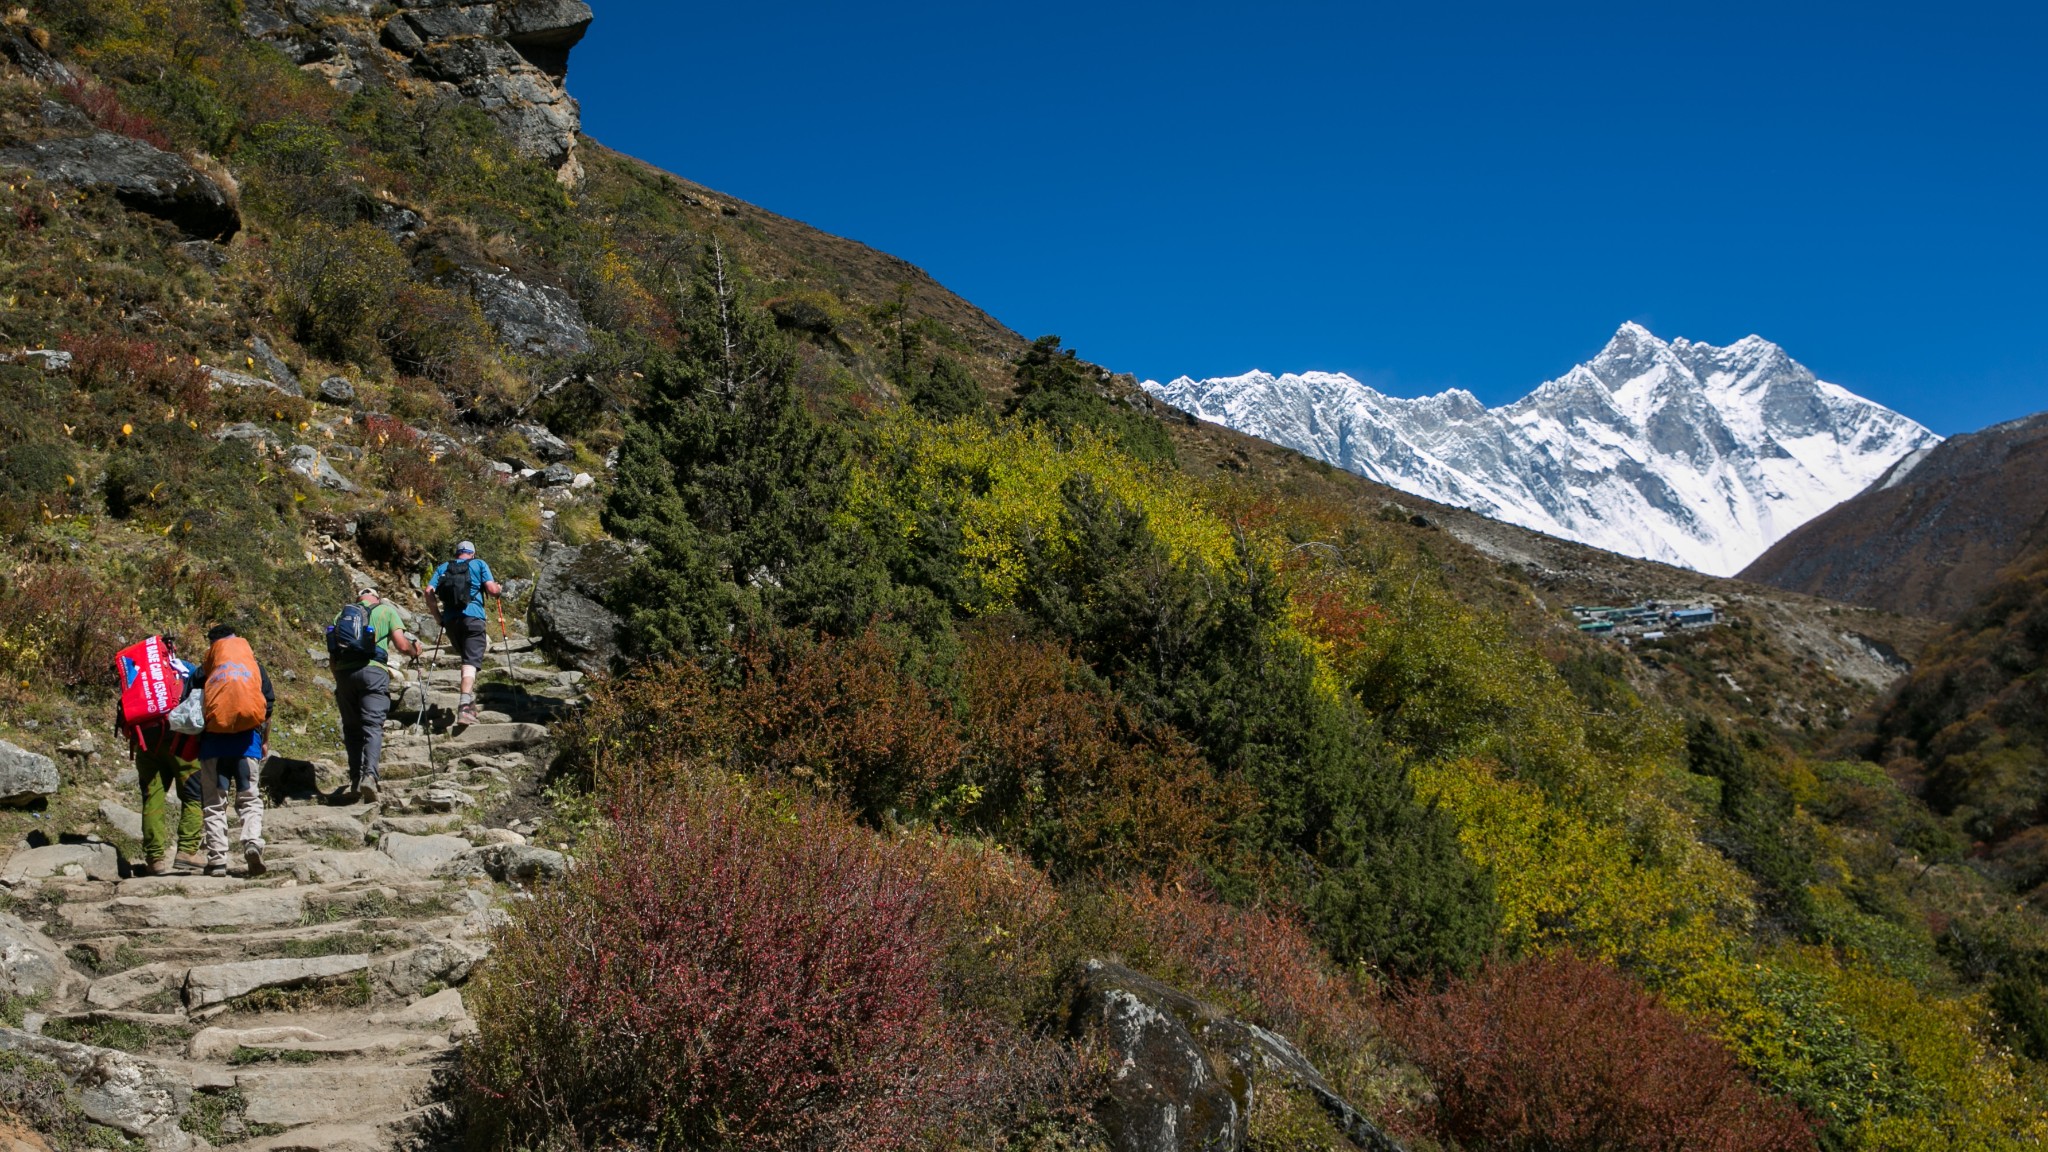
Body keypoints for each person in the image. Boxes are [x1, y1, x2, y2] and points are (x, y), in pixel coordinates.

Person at [112, 634, 197, 875]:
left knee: (152, 798)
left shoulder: (139, 673)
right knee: (193, 794)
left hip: (146, 743)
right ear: (171, 649)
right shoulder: (183, 669)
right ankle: (187, 851)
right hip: (181, 742)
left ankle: (155, 859)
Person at [194, 624, 272, 877]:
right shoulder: (254, 667)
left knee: (215, 805)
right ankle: (252, 842)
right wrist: (264, 740)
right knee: (249, 800)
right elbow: (267, 707)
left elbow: (191, 709)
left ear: (213, 645)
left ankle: (217, 860)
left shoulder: (205, 670)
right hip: (247, 745)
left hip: (213, 748)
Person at [331, 587, 419, 804]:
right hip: (373, 672)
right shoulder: (385, 611)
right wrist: (415, 651)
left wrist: (339, 679)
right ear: (377, 598)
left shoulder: (341, 615)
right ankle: (370, 775)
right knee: (372, 725)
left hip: (344, 673)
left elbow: (333, 652)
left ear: (358, 599)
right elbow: (401, 644)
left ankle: (354, 779)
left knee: (352, 729)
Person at [423, 541, 501, 727]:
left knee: (466, 659)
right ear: (472, 553)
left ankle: (470, 704)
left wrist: (437, 617)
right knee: (470, 664)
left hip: (451, 622)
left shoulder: (444, 567)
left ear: (457, 553)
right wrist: (499, 590)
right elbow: (491, 589)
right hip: (473, 619)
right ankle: (464, 708)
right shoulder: (479, 564)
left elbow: (428, 591)